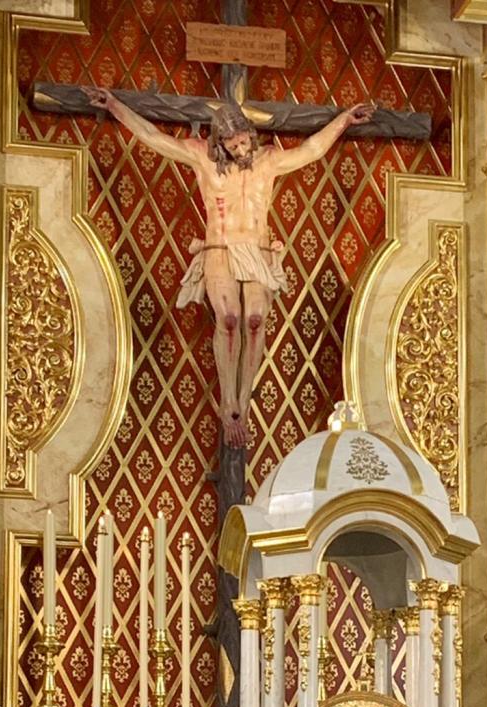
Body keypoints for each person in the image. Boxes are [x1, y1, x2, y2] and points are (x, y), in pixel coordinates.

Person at [86, 90, 373, 447]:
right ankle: (228, 402)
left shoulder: (267, 160)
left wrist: (344, 119)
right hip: (219, 246)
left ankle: (244, 401)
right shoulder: (200, 157)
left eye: (245, 142)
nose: (242, 150)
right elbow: (153, 137)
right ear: (219, 141)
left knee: (254, 321)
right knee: (229, 319)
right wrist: (114, 106)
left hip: (257, 248)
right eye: (234, 145)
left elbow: (311, 150)